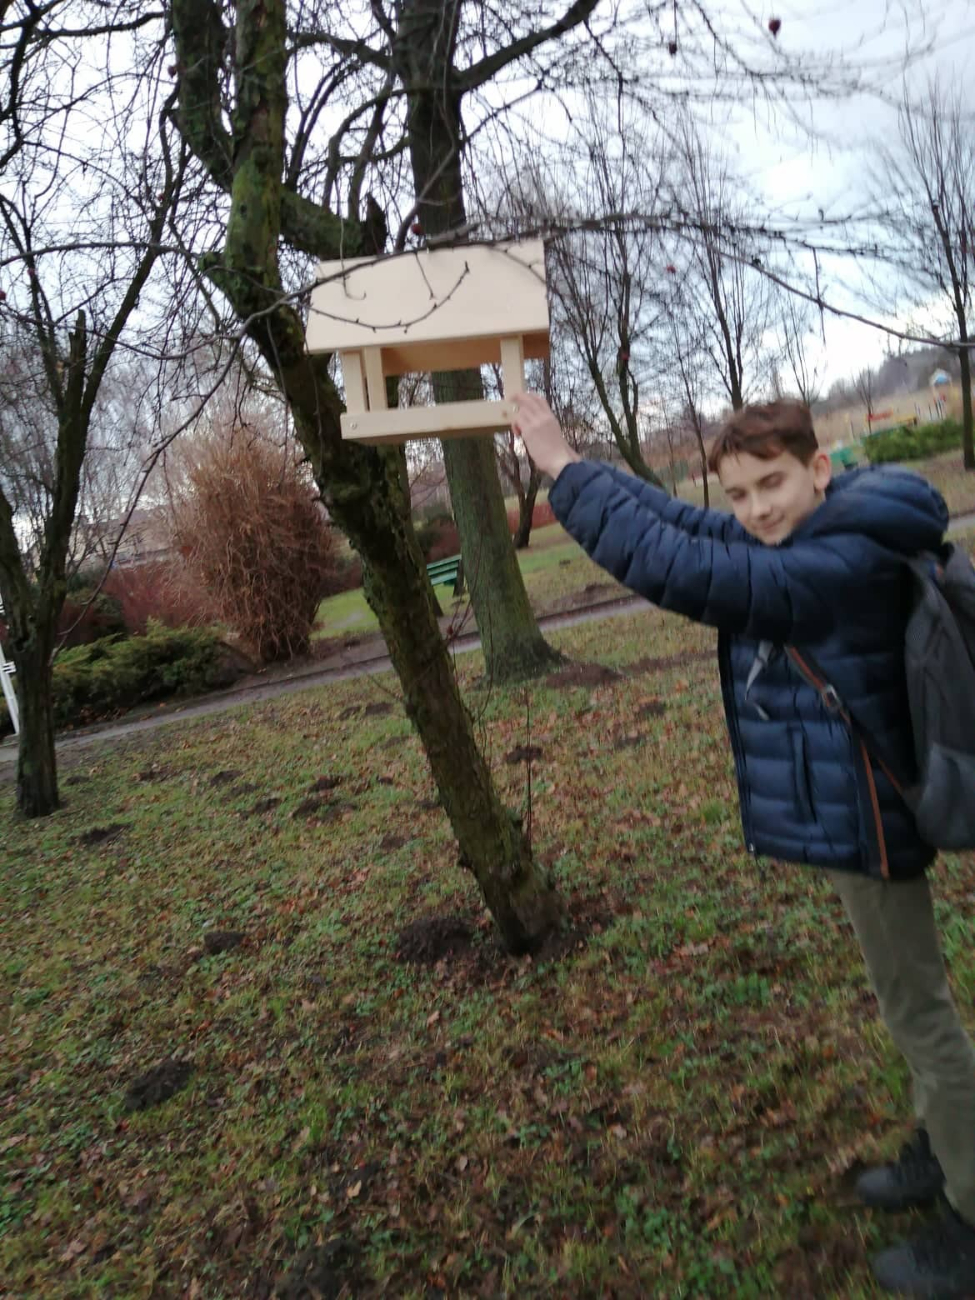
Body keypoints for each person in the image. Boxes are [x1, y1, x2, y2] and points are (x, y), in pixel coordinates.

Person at [511, 392, 975, 1298]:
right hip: (861, 813)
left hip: (875, 823)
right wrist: (584, 468)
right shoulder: (825, 529)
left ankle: (968, 1206)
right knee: (908, 1006)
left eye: (771, 484)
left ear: (817, 470)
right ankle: (942, 1143)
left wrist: (562, 474)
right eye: (738, 492)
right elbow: (690, 527)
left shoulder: (834, 564)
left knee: (921, 1016)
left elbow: (688, 570)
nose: (755, 510)